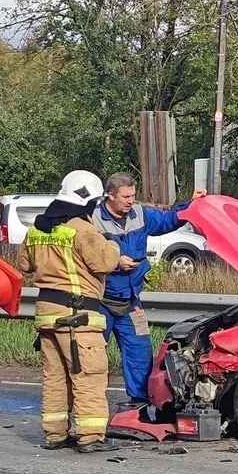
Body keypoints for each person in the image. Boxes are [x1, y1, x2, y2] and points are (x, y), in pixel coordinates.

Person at [17, 170, 123, 452]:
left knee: (55, 377)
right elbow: (103, 263)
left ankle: (55, 435)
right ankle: (90, 437)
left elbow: (24, 264)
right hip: (77, 316)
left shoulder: (38, 228)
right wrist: (112, 245)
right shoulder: (84, 230)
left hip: (46, 314)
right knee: (88, 375)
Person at [94, 173, 206, 413]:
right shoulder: (92, 220)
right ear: (110, 196)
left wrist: (192, 203)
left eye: (133, 196)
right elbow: (84, 257)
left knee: (140, 351)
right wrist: (114, 262)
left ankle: (139, 405)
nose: (130, 201)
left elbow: (168, 220)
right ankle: (88, 405)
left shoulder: (140, 213)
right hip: (99, 302)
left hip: (130, 301)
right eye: (125, 197)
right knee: (91, 357)